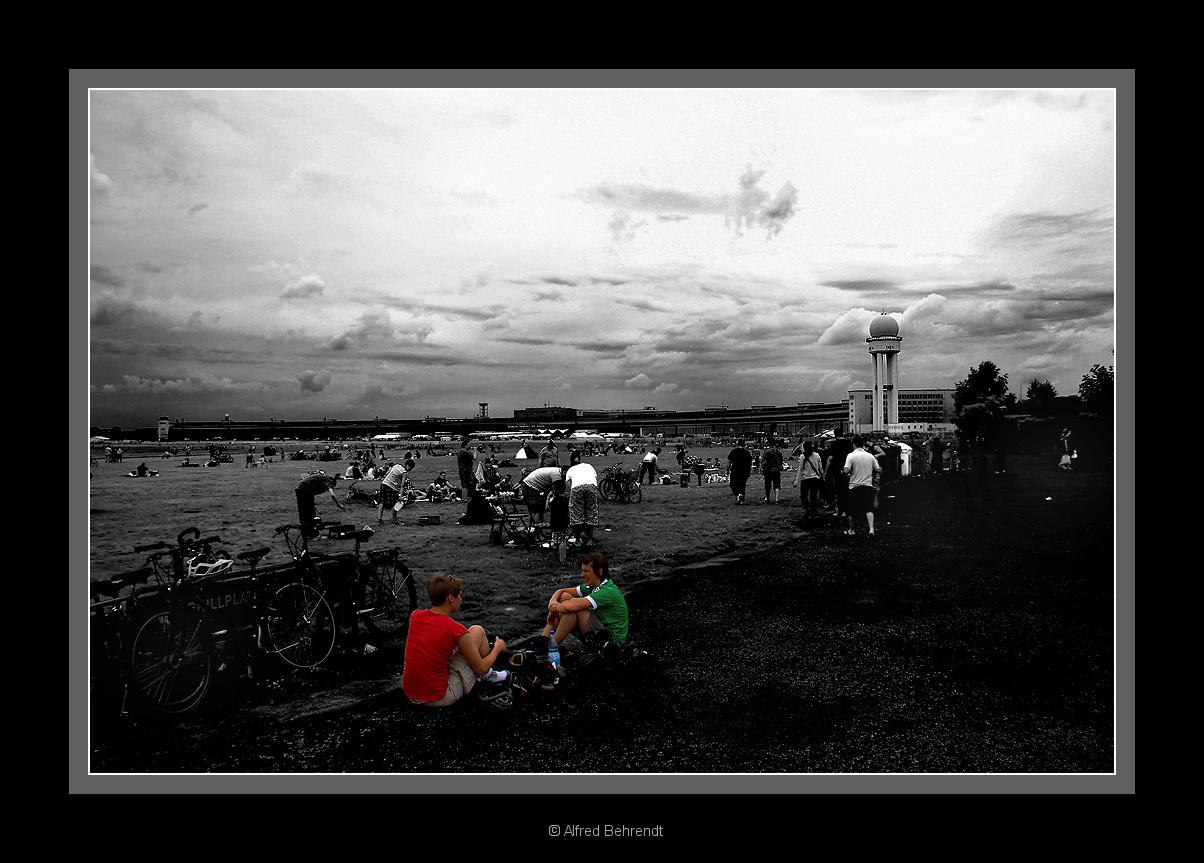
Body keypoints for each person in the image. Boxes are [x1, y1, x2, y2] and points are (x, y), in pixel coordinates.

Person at [402, 575, 508, 707]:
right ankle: (488, 675)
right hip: (440, 696)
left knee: (475, 632)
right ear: (451, 598)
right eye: (459, 595)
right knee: (477, 643)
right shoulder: (455, 629)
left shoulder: (415, 616)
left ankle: (487, 674)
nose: (461, 599)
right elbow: (480, 668)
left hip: (412, 693)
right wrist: (498, 648)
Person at [539, 552, 629, 669]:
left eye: (586, 571)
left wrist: (554, 608)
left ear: (599, 572)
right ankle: (542, 642)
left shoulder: (607, 591)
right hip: (598, 633)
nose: (582, 575)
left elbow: (569, 607)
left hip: (610, 643)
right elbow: (561, 592)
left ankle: (550, 649)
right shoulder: (593, 586)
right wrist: (553, 604)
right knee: (565, 598)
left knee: (574, 610)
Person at [842, 435, 881, 538]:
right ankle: (871, 529)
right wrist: (876, 478)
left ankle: (851, 530)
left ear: (853, 444)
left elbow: (846, 470)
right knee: (869, 508)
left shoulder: (851, 456)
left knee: (851, 509)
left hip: (854, 486)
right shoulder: (870, 456)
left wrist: (843, 471)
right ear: (863, 444)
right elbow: (878, 469)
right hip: (867, 485)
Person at [564, 453, 600, 548]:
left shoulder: (570, 470)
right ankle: (590, 540)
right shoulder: (588, 466)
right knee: (591, 512)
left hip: (577, 488)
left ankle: (577, 540)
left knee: (577, 514)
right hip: (592, 487)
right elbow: (595, 478)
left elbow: (569, 485)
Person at [295, 471, 344, 537]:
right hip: (304, 489)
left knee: (303, 512)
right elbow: (332, 495)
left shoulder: (320, 480)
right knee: (309, 514)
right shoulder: (328, 481)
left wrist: (314, 507)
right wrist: (339, 504)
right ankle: (311, 533)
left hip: (300, 489)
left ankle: (305, 531)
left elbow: (311, 498)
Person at [521, 465, 563, 530]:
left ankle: (539, 530)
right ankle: (537, 531)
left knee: (540, 509)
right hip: (531, 486)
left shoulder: (557, 471)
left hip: (535, 486)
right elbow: (557, 489)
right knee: (536, 509)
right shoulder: (556, 474)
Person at [793, 440, 825, 520]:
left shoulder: (802, 457)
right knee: (813, 496)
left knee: (803, 495)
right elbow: (820, 467)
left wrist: (797, 480)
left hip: (806, 478)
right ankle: (813, 510)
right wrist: (823, 475)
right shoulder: (817, 455)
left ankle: (808, 509)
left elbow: (800, 469)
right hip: (815, 479)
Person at [825, 431, 855, 517]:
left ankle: (840, 511)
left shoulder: (834, 444)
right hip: (848, 468)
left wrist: (826, 470)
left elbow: (830, 458)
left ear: (835, 435)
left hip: (837, 469)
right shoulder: (849, 443)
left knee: (839, 490)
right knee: (847, 489)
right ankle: (847, 510)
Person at [377, 460, 407, 525]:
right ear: (408, 466)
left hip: (384, 483)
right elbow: (402, 485)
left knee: (382, 502)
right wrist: (401, 496)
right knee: (395, 503)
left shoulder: (396, 465)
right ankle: (394, 519)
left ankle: (379, 519)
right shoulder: (404, 472)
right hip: (391, 487)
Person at [547, 478, 570, 562]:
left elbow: (547, 507)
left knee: (559, 540)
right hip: (564, 521)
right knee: (563, 539)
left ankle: (561, 558)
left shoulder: (555, 501)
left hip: (556, 522)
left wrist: (549, 497)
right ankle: (563, 557)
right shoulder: (566, 500)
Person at [726, 440, 753, 504]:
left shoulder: (734, 451)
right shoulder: (747, 453)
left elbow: (729, 462)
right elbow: (750, 463)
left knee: (733, 484)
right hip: (745, 471)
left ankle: (738, 495)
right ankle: (741, 498)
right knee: (742, 485)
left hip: (735, 470)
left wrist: (726, 469)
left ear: (737, 444)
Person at [760, 438, 784, 503]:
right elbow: (781, 461)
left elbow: (764, 461)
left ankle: (767, 497)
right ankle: (776, 499)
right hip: (776, 470)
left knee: (767, 485)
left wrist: (762, 468)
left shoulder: (767, 451)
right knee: (777, 484)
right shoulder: (778, 451)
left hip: (768, 470)